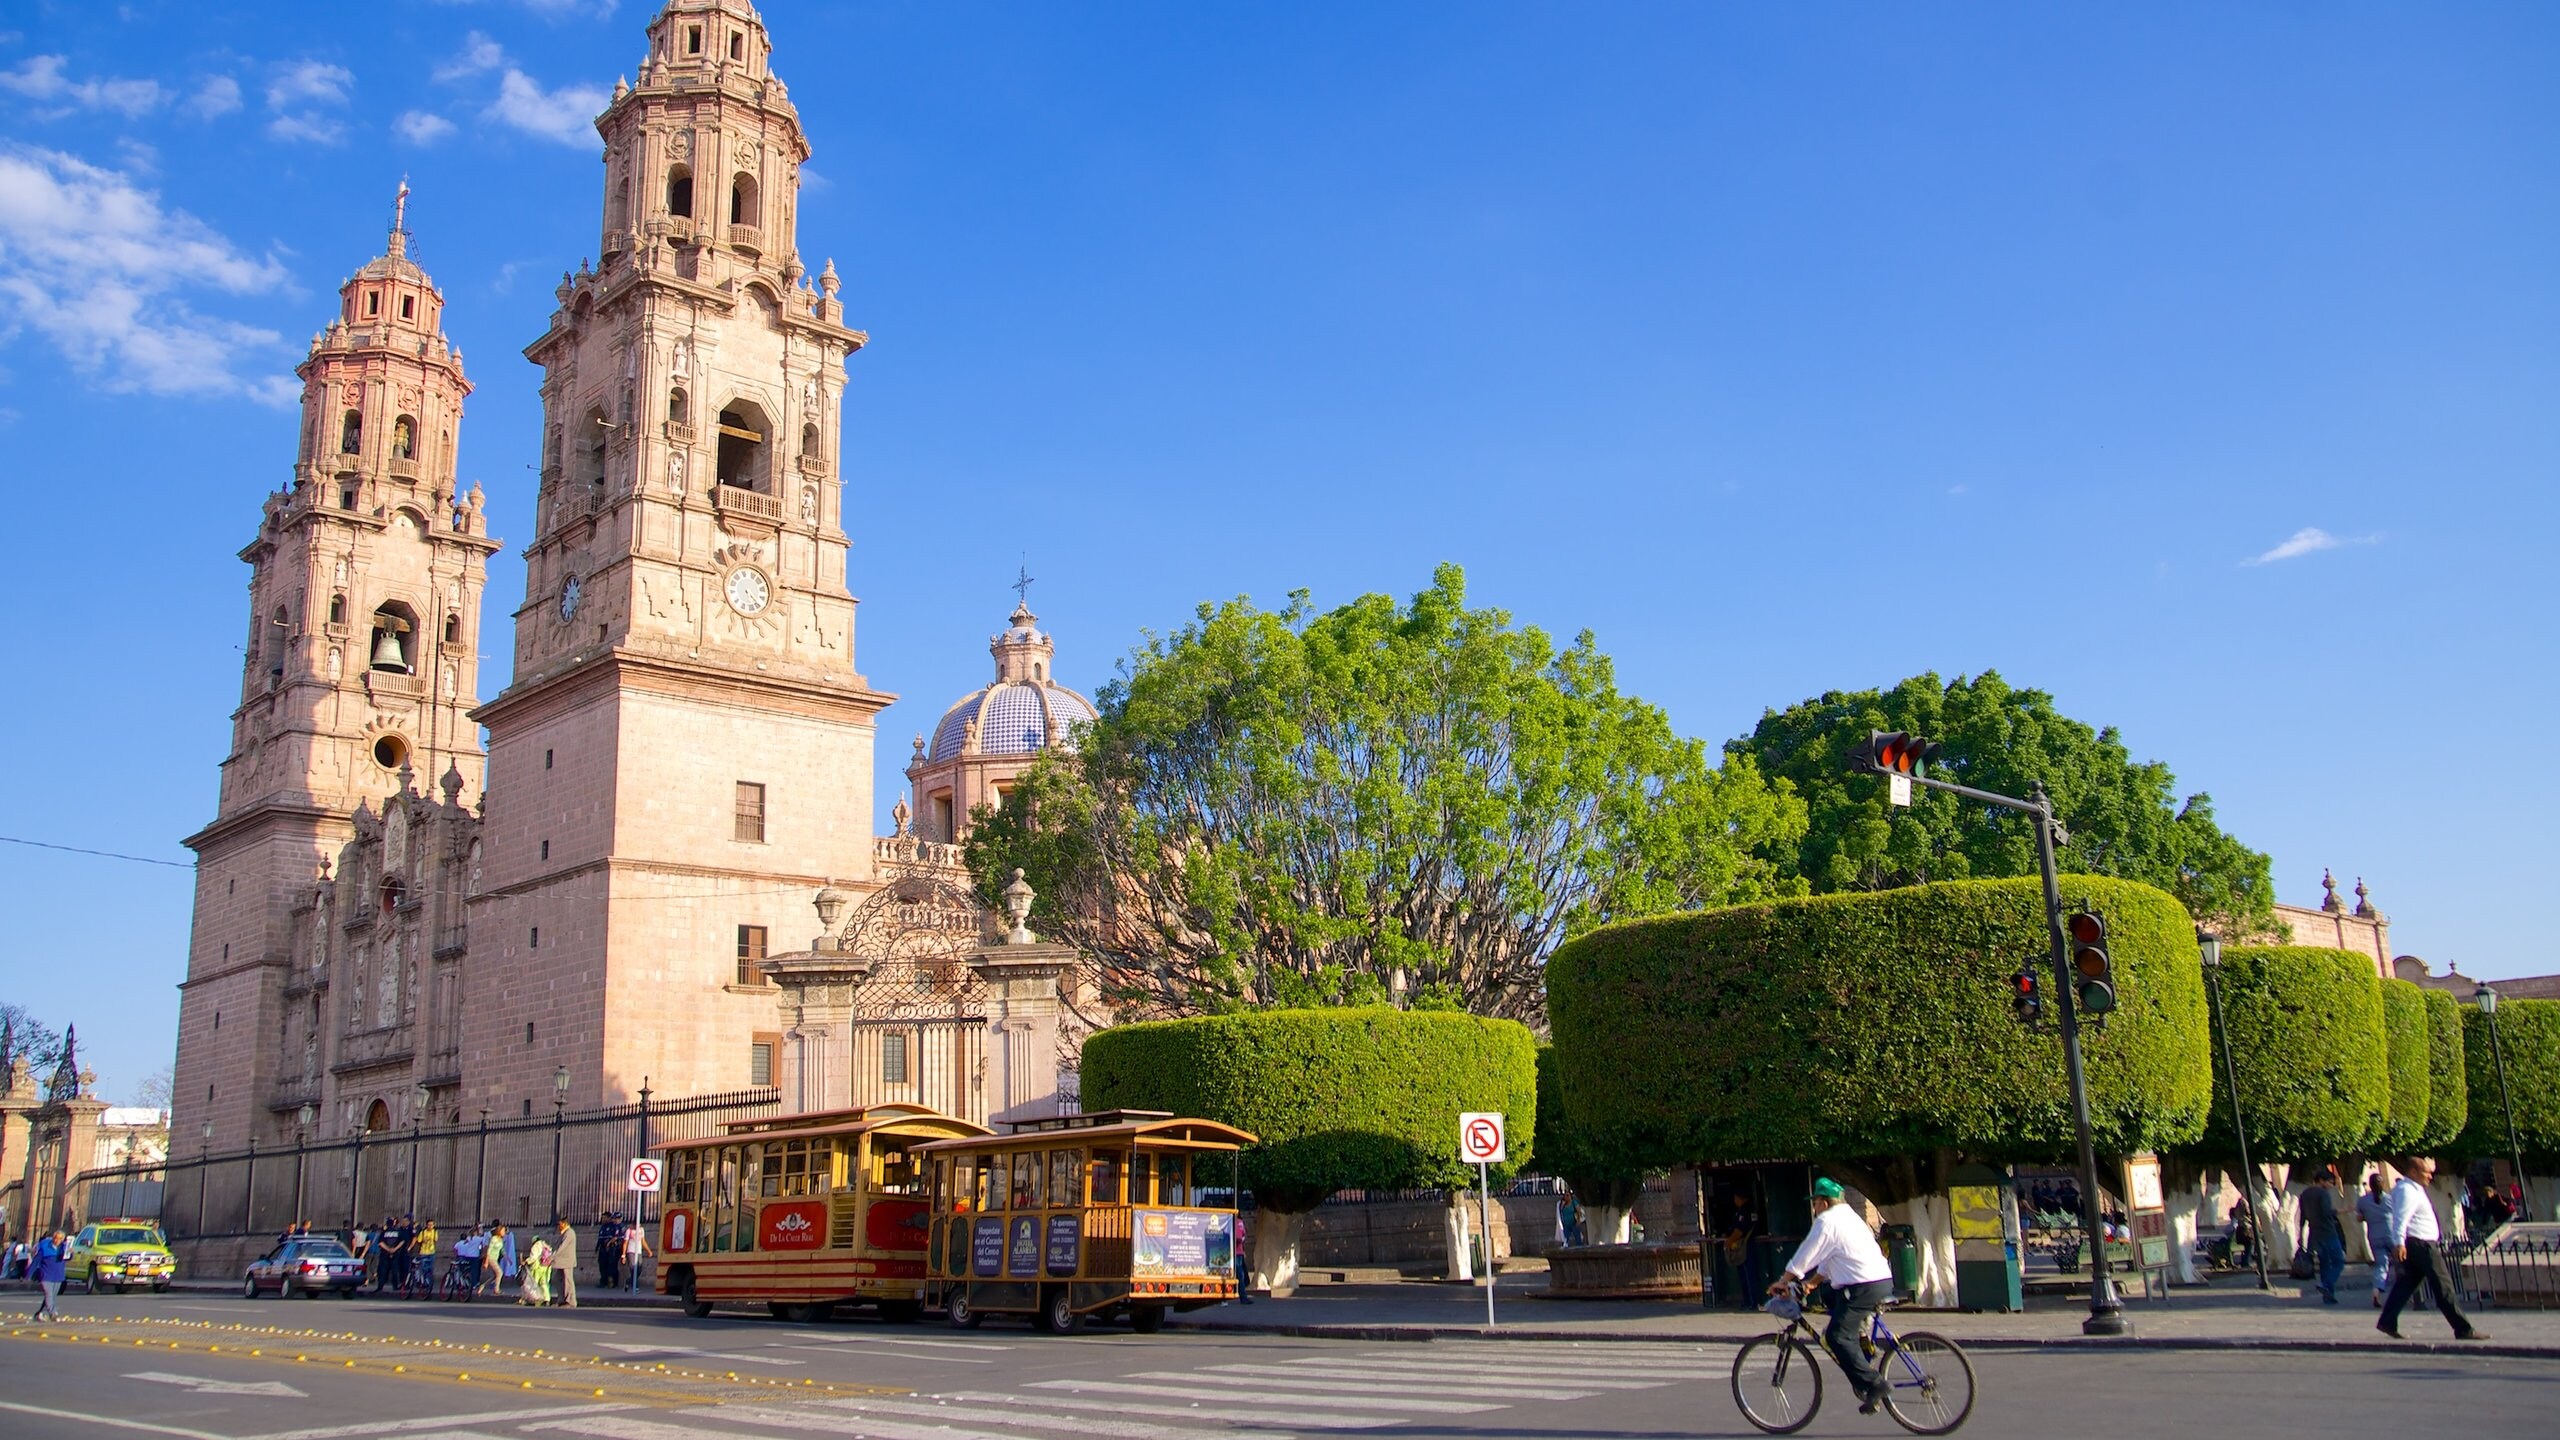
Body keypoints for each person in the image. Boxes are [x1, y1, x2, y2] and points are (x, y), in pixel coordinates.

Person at [1768, 1178, 1895, 1415]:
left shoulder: (1827, 1221)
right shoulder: (1850, 1218)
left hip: (1861, 1286)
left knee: (1837, 1337)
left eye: (1815, 1203)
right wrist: (1812, 1284)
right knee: (1832, 1300)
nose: (1814, 1209)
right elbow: (1829, 1258)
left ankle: (1876, 1383)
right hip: (1879, 1281)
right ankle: (1862, 1349)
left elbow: (1808, 1252)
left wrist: (1785, 1280)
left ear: (1824, 1203)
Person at [2379, 1156, 2481, 1341]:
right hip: (2421, 1243)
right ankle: (2463, 1328)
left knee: (2407, 1283)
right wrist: (2399, 1242)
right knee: (2443, 1285)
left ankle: (2387, 1321)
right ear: (2413, 1172)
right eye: (2426, 1172)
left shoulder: (2414, 1189)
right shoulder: (2407, 1191)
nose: (2429, 1176)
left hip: (2419, 1242)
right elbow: (2401, 1218)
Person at [2299, 1165, 2346, 1304]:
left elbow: (2303, 1217)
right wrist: (2341, 1211)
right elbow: (2326, 1213)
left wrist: (2301, 1235)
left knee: (2324, 1264)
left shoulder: (2305, 1194)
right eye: (2330, 1182)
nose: (2331, 1185)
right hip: (2328, 1232)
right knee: (2338, 1262)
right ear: (2321, 1180)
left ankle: (2328, 1296)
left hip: (2314, 1234)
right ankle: (2326, 1285)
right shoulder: (2323, 1194)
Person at [2355, 1170, 2396, 1308]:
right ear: (2383, 1184)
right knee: (2401, 1265)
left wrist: (2369, 1216)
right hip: (2391, 1235)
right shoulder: (2390, 1199)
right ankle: (2408, 1294)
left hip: (2374, 1236)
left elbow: (2359, 1218)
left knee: (2381, 1266)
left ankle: (2376, 1291)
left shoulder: (2363, 1201)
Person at [29, 1229, 69, 1322]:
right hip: (46, 1275)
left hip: (58, 1275)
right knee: (49, 1294)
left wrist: (70, 1252)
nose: (56, 1240)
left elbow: (68, 1258)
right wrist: (29, 1274)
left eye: (59, 1239)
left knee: (52, 1296)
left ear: (62, 1240)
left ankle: (39, 1314)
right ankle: (53, 1313)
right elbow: (36, 1261)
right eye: (55, 1238)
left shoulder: (64, 1248)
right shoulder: (45, 1247)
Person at [550, 1218, 580, 1308]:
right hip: (561, 1261)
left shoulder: (569, 1233)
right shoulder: (564, 1233)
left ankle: (570, 1301)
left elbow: (562, 1247)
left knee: (568, 1281)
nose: (559, 1226)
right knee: (557, 1279)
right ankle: (561, 1299)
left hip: (567, 1261)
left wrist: (552, 1256)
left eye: (560, 1224)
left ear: (564, 1224)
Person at [520, 1232, 552, 1306]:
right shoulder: (546, 1246)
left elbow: (533, 1258)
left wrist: (526, 1261)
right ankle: (547, 1299)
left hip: (537, 1267)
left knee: (534, 1283)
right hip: (545, 1267)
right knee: (544, 1284)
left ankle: (534, 1299)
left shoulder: (535, 1246)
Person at [597, 1211, 624, 1291]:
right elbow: (600, 1238)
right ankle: (603, 1281)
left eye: (605, 1217)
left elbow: (616, 1237)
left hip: (613, 1248)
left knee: (611, 1265)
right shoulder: (603, 1227)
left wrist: (608, 1244)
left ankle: (612, 1282)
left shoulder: (615, 1227)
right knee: (602, 1265)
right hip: (603, 1248)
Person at [621, 1219, 650, 1293]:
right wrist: (623, 1255)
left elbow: (643, 1241)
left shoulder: (641, 1230)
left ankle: (628, 1281)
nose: (638, 1226)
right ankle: (636, 1287)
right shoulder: (629, 1231)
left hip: (638, 1251)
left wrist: (648, 1251)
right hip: (631, 1251)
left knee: (639, 1269)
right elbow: (625, 1243)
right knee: (633, 1269)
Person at [413, 1218, 440, 1292]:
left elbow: (436, 1240)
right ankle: (423, 1281)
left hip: (431, 1252)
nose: (430, 1226)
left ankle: (429, 1283)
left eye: (432, 1225)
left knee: (430, 1269)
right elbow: (419, 1240)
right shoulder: (423, 1232)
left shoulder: (435, 1232)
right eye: (429, 1225)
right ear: (426, 1225)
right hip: (423, 1252)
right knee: (424, 1268)